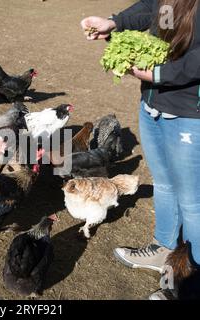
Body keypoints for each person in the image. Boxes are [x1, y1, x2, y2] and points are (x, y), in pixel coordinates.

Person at [81, 0, 200, 300]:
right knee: (164, 185)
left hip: (190, 115)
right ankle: (164, 251)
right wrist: (115, 22)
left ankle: (192, 281)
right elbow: (160, 10)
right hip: (154, 107)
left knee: (193, 203)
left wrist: (159, 75)